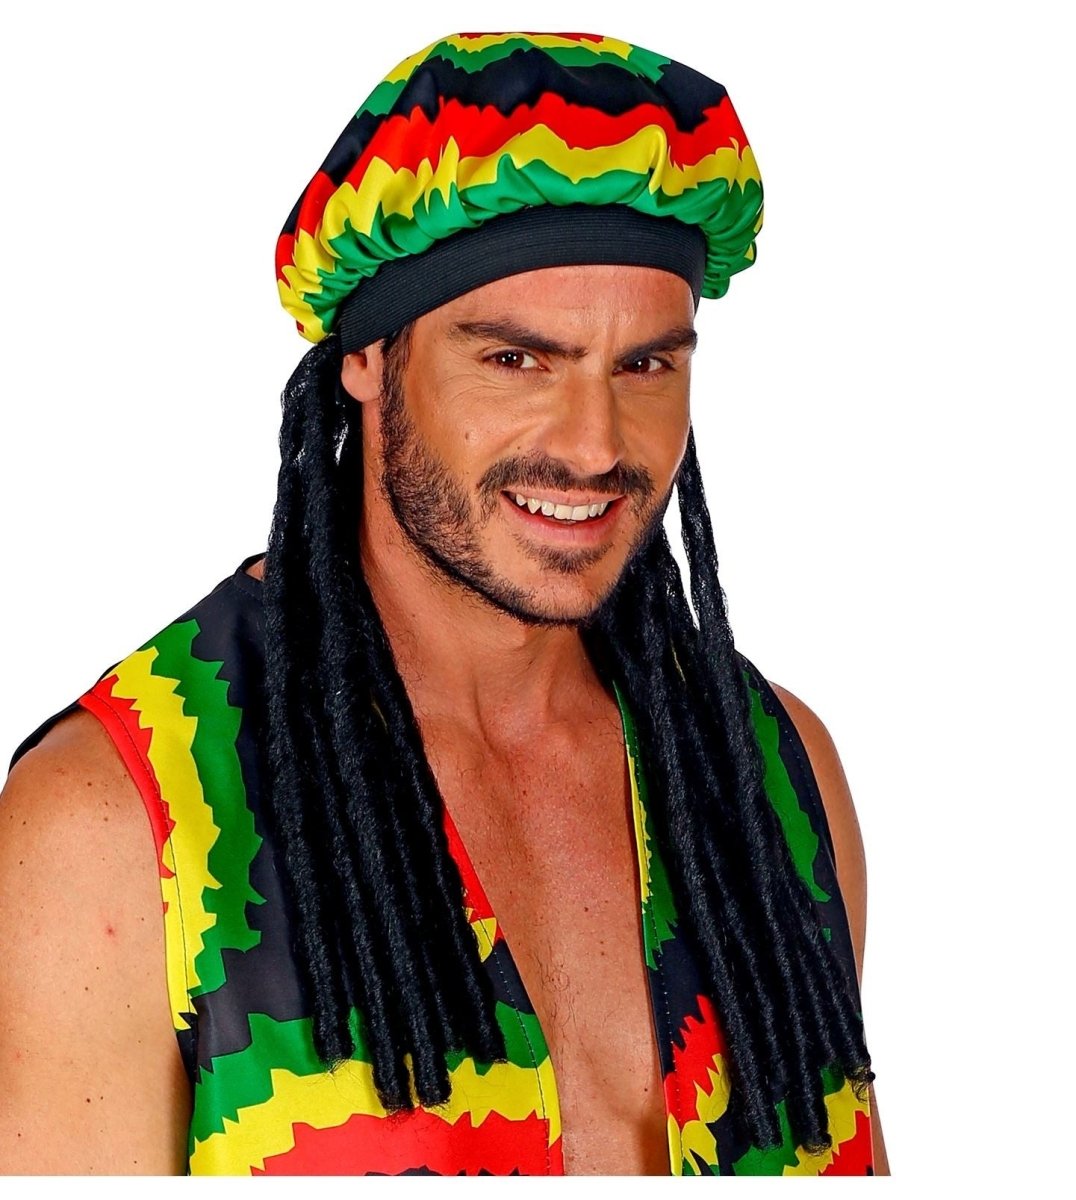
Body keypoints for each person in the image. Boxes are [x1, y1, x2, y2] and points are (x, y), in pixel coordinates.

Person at [0, 31, 888, 1176]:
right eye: (515, 361)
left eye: (644, 366)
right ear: (367, 357)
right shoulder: (110, 827)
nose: (593, 445)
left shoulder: (767, 776)